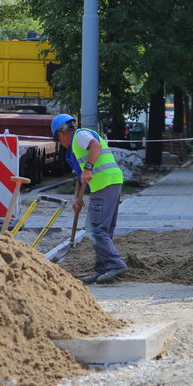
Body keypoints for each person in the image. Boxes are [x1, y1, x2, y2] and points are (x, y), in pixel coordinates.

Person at [51, 114, 128, 284]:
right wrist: (77, 199)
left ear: (61, 133)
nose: (60, 143)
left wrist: (88, 168)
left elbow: (96, 145)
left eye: (58, 139)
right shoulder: (74, 151)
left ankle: (115, 264)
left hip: (104, 183)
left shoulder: (80, 135)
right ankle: (102, 270)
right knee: (102, 229)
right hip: (109, 182)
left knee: (95, 229)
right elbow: (80, 177)